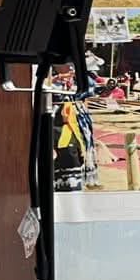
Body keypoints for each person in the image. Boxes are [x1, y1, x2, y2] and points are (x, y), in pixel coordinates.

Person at [52, 63, 99, 192]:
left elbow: (90, 88)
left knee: (79, 152)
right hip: (58, 122)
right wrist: (55, 80)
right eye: (67, 64)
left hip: (78, 121)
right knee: (66, 153)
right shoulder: (48, 77)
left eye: (72, 64)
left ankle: (77, 185)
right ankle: (65, 185)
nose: (70, 67)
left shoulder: (79, 79)